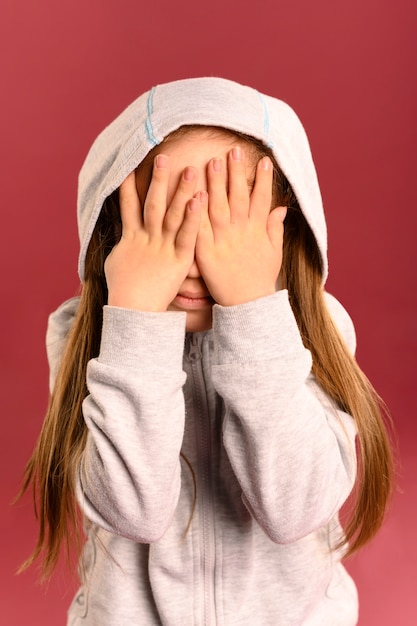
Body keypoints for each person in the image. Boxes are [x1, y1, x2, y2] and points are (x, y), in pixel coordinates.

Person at [20, 77, 394, 625]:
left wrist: (253, 311)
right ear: (112, 231)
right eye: (163, 217)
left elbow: (298, 509)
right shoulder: (87, 336)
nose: (194, 257)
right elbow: (133, 510)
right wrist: (137, 318)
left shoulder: (318, 333)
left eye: (226, 223)